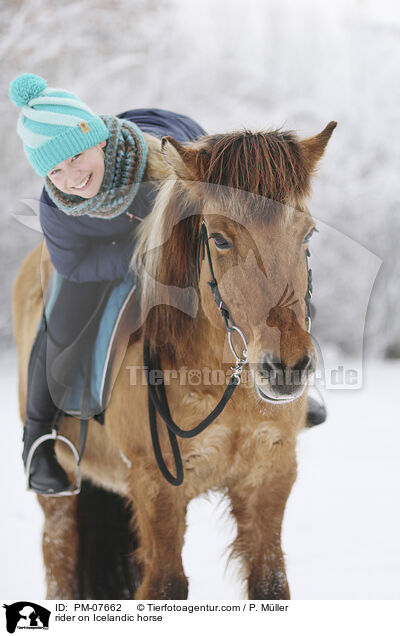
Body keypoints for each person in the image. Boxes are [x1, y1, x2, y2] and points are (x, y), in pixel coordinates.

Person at [9, 73, 206, 495]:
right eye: (55, 170)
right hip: (111, 252)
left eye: (76, 157)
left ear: (96, 139)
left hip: (175, 211)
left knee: (257, 266)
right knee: (60, 319)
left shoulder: (164, 167)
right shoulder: (57, 208)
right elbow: (74, 265)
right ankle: (38, 440)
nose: (71, 177)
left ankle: (287, 379)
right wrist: (136, 258)